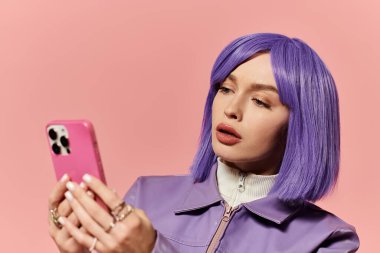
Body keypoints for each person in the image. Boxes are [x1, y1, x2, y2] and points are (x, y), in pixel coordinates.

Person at [48, 33, 360, 253]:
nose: (231, 109)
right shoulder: (145, 195)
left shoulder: (327, 240)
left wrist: (152, 249)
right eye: (225, 89)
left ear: (300, 124)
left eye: (261, 101)